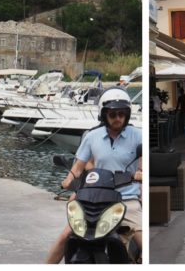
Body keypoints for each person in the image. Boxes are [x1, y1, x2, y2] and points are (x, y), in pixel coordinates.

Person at [46, 88, 142, 263]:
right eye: (113, 114)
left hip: (127, 197)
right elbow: (79, 166)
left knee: (142, 240)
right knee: (65, 236)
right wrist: (69, 180)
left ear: (127, 115)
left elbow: (143, 160)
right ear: (104, 114)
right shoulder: (92, 137)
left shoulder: (138, 136)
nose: (118, 118)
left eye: (122, 114)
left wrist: (141, 172)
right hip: (96, 198)